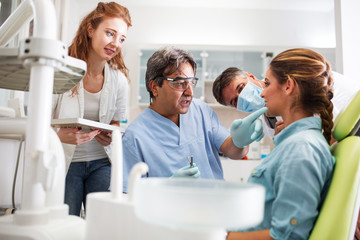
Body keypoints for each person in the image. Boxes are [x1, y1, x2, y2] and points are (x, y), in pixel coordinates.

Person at [122, 46, 265, 192]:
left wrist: (241, 141)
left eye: (191, 82)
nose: (190, 92)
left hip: (213, 206)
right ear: (154, 87)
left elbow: (233, 151)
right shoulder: (135, 137)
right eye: (179, 83)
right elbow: (129, 197)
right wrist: (165, 188)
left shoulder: (200, 110)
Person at [226, 48, 335, 239]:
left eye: (267, 83)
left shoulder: (301, 149)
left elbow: (288, 236)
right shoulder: (293, 143)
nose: (262, 93)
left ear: (288, 86)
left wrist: (219, 236)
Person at [51, 2, 131, 216]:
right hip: (67, 164)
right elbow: (39, 121)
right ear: (90, 29)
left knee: (103, 223)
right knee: (68, 223)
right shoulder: (60, 70)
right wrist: (58, 136)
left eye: (121, 38)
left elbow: (122, 122)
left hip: (102, 163)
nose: (115, 43)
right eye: (110, 33)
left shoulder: (119, 81)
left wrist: (114, 130)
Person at [213, 63, 360, 139]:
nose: (243, 97)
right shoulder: (266, 119)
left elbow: (325, 132)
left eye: (241, 87)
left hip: (353, 119)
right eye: (235, 101)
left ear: (251, 76)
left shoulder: (286, 83)